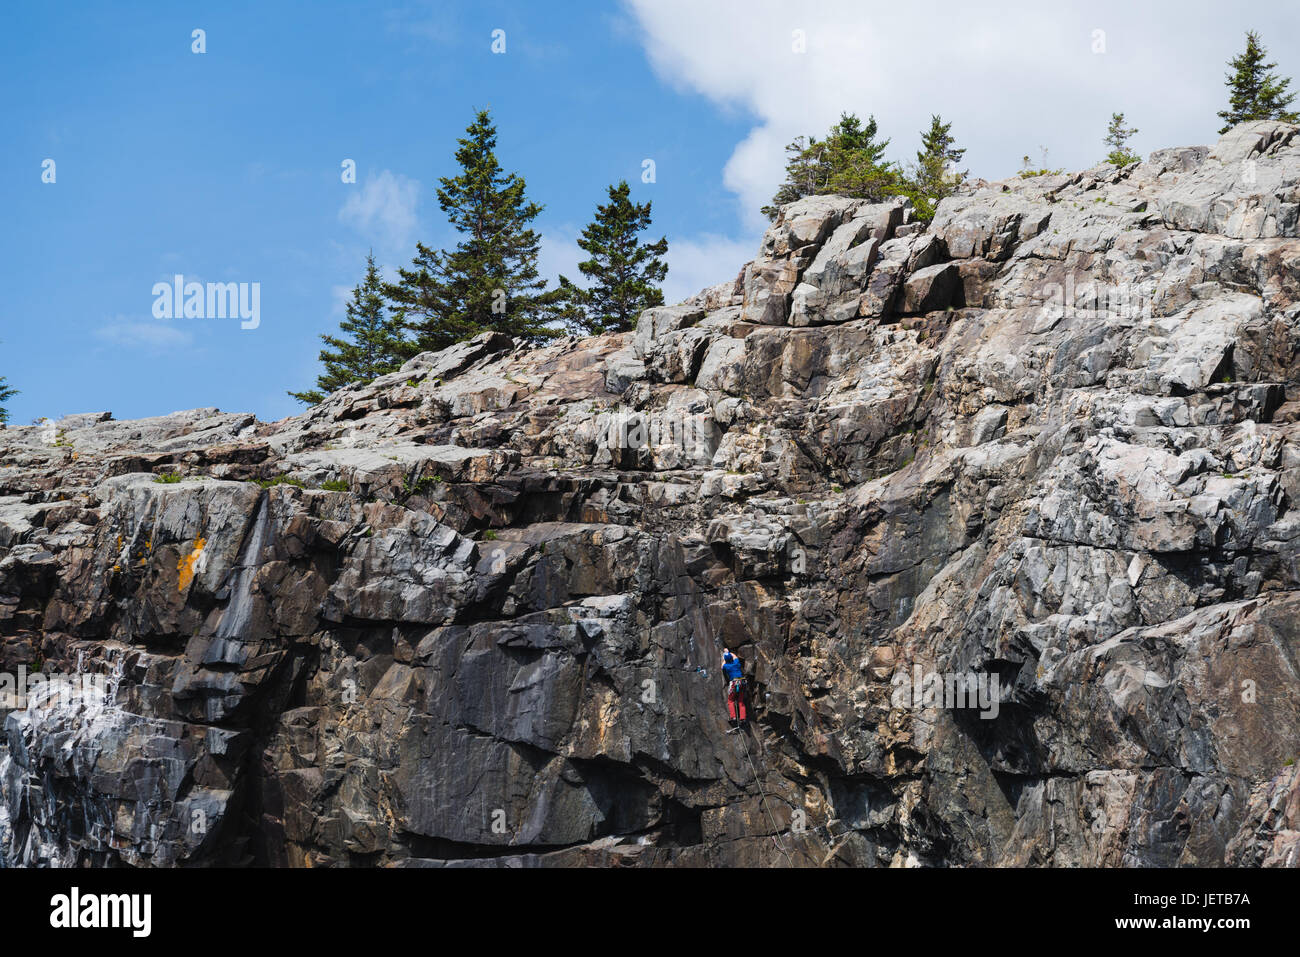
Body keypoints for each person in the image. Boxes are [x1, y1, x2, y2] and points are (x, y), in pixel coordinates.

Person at [721, 648, 746, 733]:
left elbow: (722, 666)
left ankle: (733, 717)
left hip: (734, 683)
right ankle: (742, 718)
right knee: (741, 701)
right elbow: (735, 657)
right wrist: (728, 652)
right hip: (742, 682)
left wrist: (725, 656)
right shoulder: (736, 663)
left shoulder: (727, 666)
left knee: (731, 700)